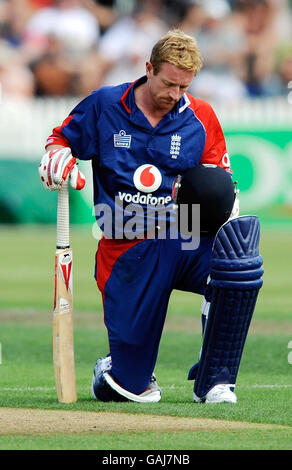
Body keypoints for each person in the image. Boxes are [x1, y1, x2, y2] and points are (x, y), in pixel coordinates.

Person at [39, 29, 263, 404]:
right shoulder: (105, 105)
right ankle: (117, 368)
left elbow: (219, 181)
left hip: (185, 233)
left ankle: (215, 380)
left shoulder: (200, 116)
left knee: (237, 262)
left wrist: (225, 203)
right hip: (128, 242)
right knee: (131, 390)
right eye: (168, 83)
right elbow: (60, 139)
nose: (174, 95)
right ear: (148, 68)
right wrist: (57, 157)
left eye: (183, 87)